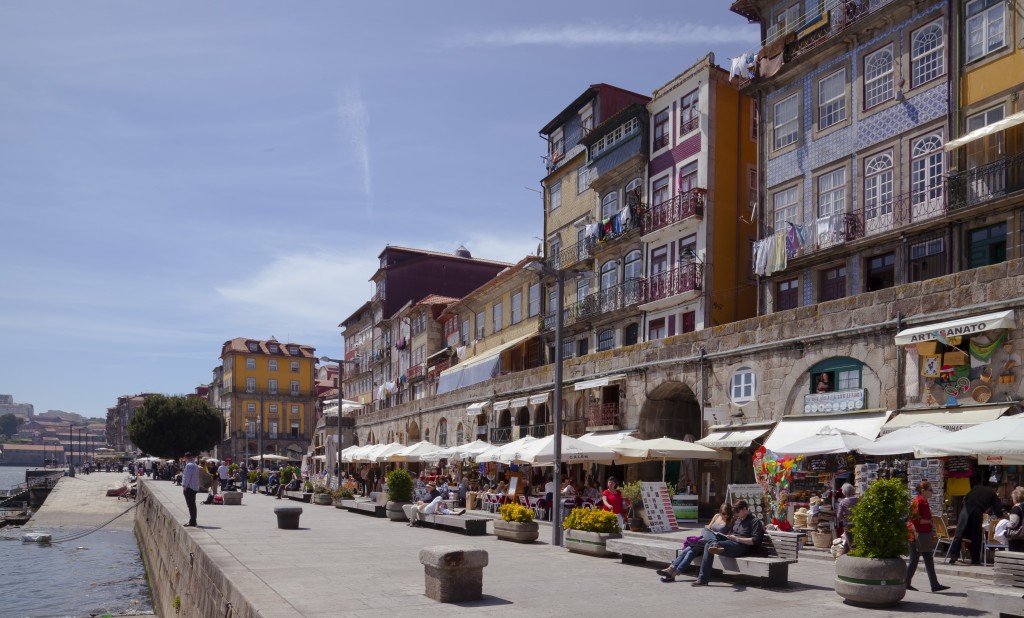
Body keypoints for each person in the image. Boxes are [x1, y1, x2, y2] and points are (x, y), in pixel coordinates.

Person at [692, 500, 764, 587]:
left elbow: (754, 541)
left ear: (745, 509)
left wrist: (737, 539)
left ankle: (703, 579)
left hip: (741, 546)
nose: (736, 514)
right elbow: (731, 532)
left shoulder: (755, 522)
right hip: (730, 542)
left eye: (738, 512)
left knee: (708, 545)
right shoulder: (737, 520)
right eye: (735, 512)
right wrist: (728, 536)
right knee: (705, 530)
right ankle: (714, 543)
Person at [658, 503, 733, 582]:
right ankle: (670, 569)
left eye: (728, 514)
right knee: (686, 550)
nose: (726, 516)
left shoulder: (731, 520)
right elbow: (708, 528)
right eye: (724, 514)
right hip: (705, 539)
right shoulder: (717, 516)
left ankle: (672, 574)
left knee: (690, 553)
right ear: (720, 512)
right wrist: (709, 534)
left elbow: (729, 535)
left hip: (715, 542)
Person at [906, 480, 949, 592]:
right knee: (915, 560)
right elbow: (915, 520)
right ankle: (906, 582)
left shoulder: (923, 501)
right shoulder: (918, 502)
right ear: (923, 491)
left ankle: (934, 584)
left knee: (926, 559)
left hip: (923, 534)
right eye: (930, 490)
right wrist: (929, 522)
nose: (932, 492)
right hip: (917, 535)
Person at [947, 481, 1002, 565]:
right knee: (976, 536)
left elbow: (965, 498)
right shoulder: (992, 493)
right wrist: (1002, 515)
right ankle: (975, 560)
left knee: (959, 534)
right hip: (976, 512)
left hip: (965, 510)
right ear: (995, 489)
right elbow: (998, 510)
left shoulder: (976, 487)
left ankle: (953, 556)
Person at [836, 483, 860, 552]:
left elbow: (839, 516)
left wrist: (844, 516)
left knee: (851, 544)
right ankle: (842, 558)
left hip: (848, 524)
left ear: (844, 492)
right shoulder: (858, 500)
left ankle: (852, 559)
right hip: (858, 523)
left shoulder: (843, 502)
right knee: (850, 542)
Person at [181, 452, 199, 527]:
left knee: (190, 505)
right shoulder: (195, 465)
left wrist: (184, 485)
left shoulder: (189, 465)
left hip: (189, 487)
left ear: (186, 458)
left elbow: (187, 476)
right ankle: (193, 520)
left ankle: (192, 521)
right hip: (195, 487)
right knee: (193, 505)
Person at [1004, 486, 1024, 553]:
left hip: (1017, 537)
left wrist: (1005, 523)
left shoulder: (1016, 509)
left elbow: (1013, 524)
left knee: (1015, 555)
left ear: (1015, 498)